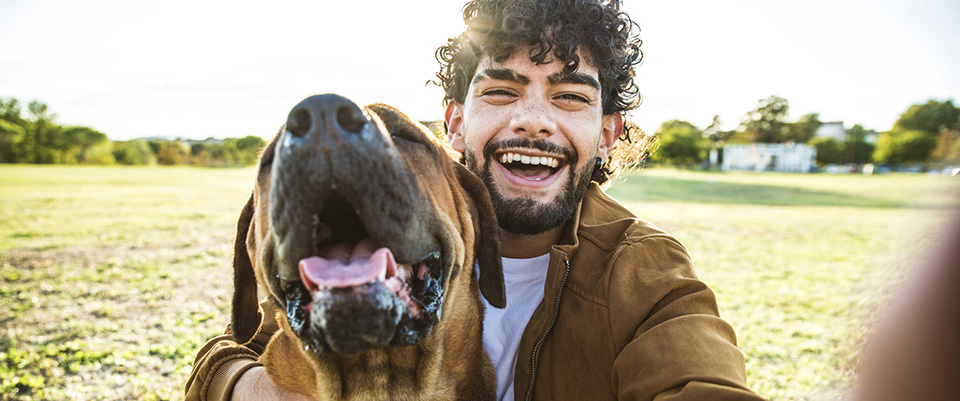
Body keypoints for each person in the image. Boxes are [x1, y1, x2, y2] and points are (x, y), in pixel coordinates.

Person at [186, 0, 765, 400]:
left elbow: (700, 381)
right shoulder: (369, 239)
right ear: (456, 124)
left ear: (608, 134)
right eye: (500, 90)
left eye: (568, 97)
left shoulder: (648, 274)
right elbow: (245, 351)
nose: (533, 120)